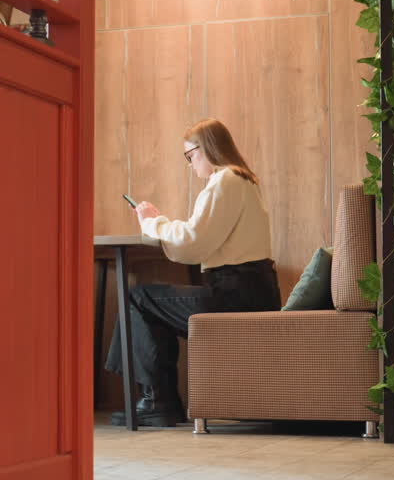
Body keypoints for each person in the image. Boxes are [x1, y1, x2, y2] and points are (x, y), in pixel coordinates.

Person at [105, 118, 282, 427]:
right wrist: (163, 224)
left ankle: (158, 400)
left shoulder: (225, 180)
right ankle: (158, 400)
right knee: (147, 300)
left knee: (137, 297)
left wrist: (151, 222)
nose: (190, 164)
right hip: (250, 291)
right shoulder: (242, 180)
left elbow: (193, 242)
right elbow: (199, 236)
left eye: (190, 156)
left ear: (207, 148)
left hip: (236, 296)